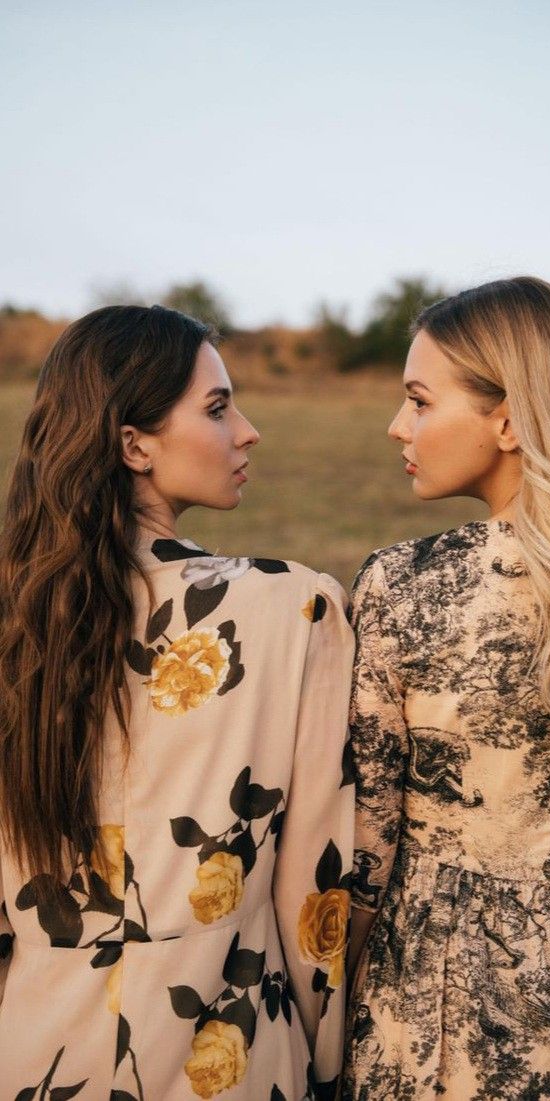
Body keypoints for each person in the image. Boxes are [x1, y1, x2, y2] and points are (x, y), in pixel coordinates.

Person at [0, 305, 354, 1100]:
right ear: (135, 445)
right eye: (219, 407)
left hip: (32, 1050)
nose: (249, 430)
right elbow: (314, 891)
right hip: (222, 1059)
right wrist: (329, 1063)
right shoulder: (294, 609)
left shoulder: (16, 621)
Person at [343, 277, 550, 1100]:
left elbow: (366, 846)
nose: (398, 425)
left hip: (444, 993)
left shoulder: (403, 587)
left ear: (506, 419)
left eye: (419, 400)